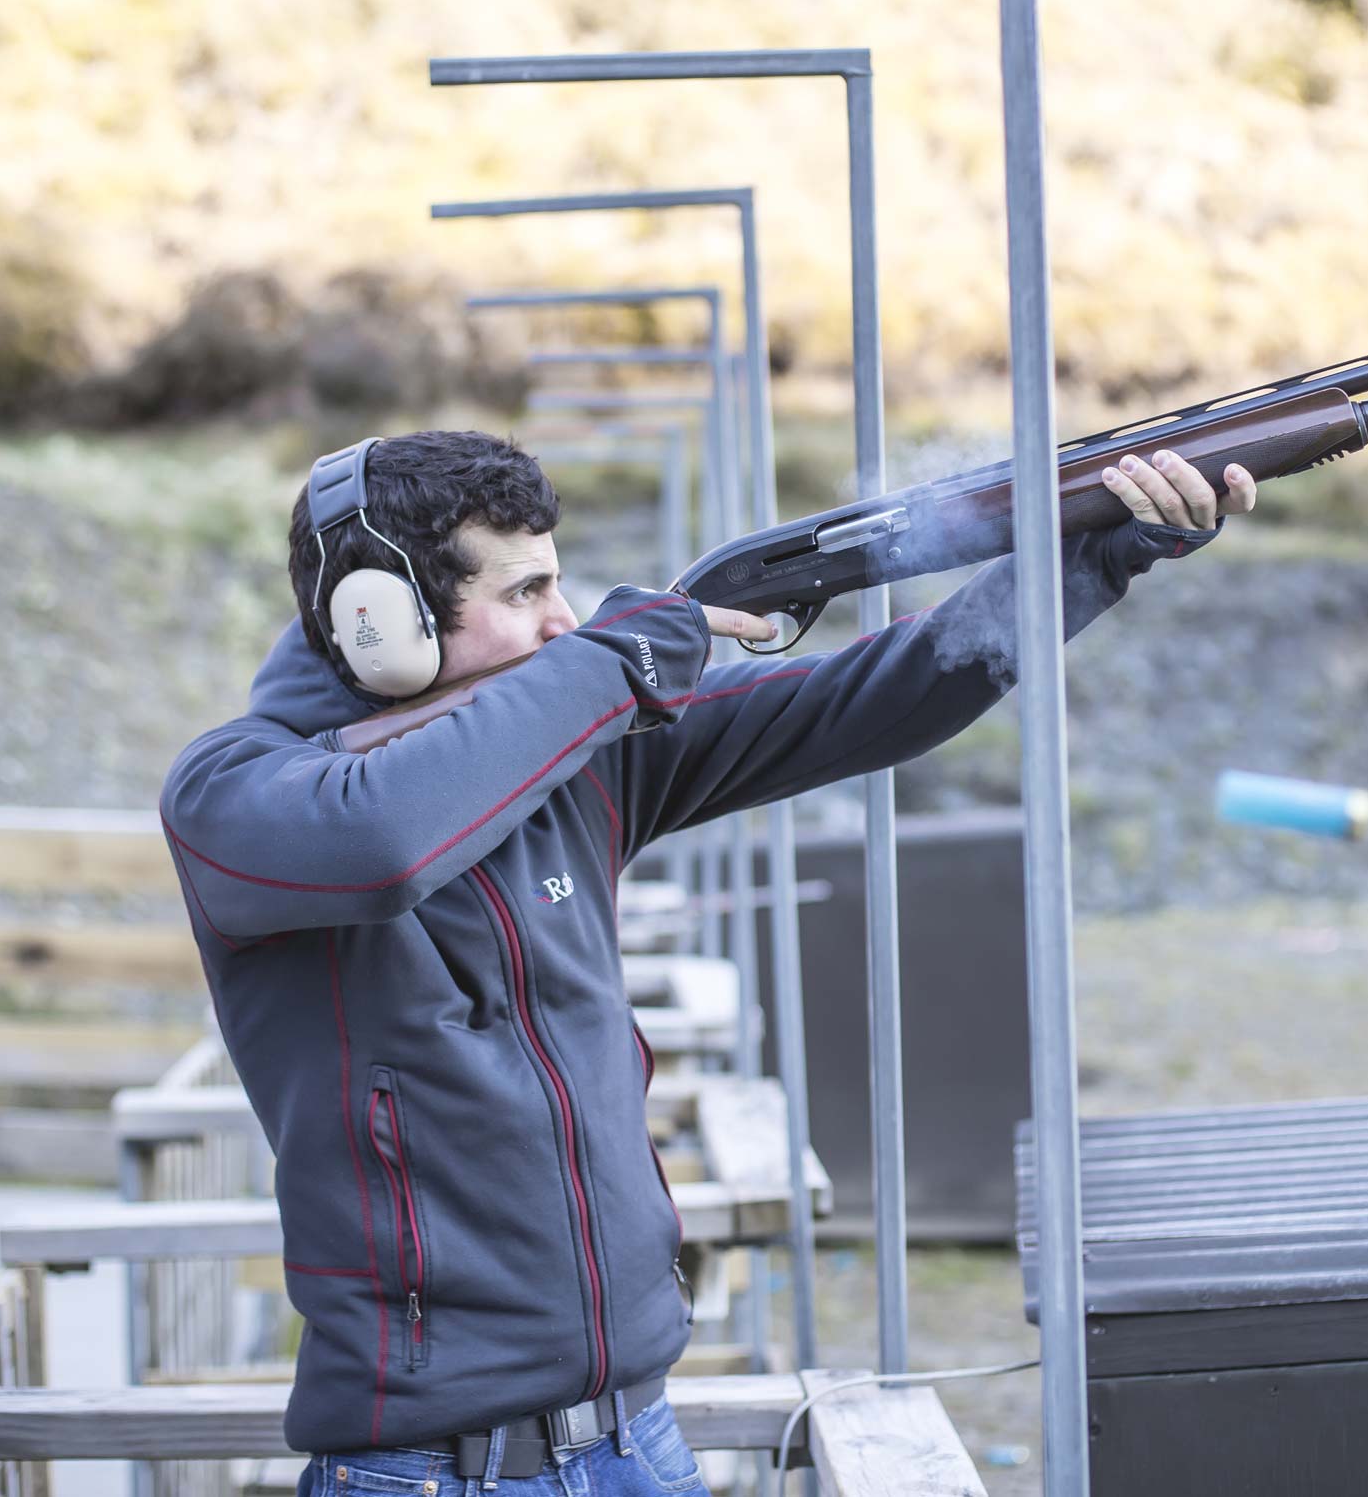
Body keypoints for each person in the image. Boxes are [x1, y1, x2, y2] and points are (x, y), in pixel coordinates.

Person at [159, 428, 1253, 1495]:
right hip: (430, 1472)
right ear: (376, 619)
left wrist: (1095, 557)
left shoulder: (576, 756)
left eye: (562, 584)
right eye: (524, 593)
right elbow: (383, 842)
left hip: (636, 1438)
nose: (564, 621)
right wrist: (611, 665)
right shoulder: (235, 793)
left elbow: (876, 693)